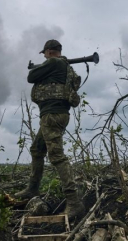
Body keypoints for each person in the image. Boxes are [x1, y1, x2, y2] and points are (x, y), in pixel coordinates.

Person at [15, 39, 85, 220]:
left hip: (52, 115)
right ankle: (32, 189)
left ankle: (74, 202)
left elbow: (31, 77)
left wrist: (42, 66)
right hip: (55, 115)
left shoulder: (53, 62)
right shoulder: (65, 67)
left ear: (49, 51)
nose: (44, 56)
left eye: (45, 53)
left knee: (57, 156)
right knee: (37, 150)